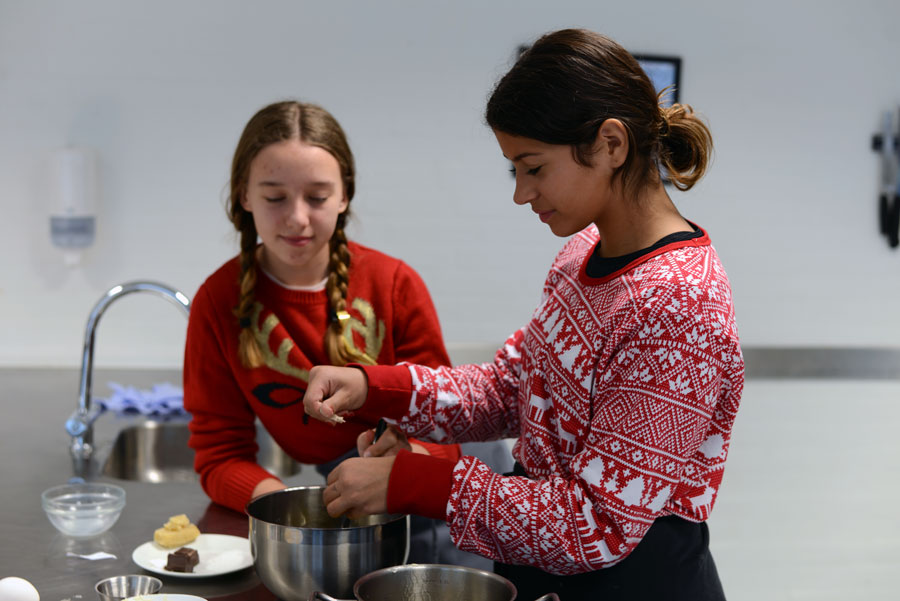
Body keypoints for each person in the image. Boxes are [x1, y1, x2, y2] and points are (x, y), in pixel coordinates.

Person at [301, 29, 744, 601]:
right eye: (515, 169)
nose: (521, 193)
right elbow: (512, 388)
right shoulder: (582, 254)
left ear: (611, 144)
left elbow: (596, 524)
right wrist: (375, 387)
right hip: (543, 573)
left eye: (533, 167)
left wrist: (414, 482)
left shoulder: (678, 303)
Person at [183, 100, 496, 565]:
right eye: (274, 197)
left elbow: (444, 428)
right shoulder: (217, 301)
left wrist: (406, 458)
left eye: (317, 196)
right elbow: (218, 454)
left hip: (433, 483)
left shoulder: (394, 286)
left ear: (345, 195)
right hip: (344, 483)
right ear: (243, 195)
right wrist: (282, 505)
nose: (297, 218)